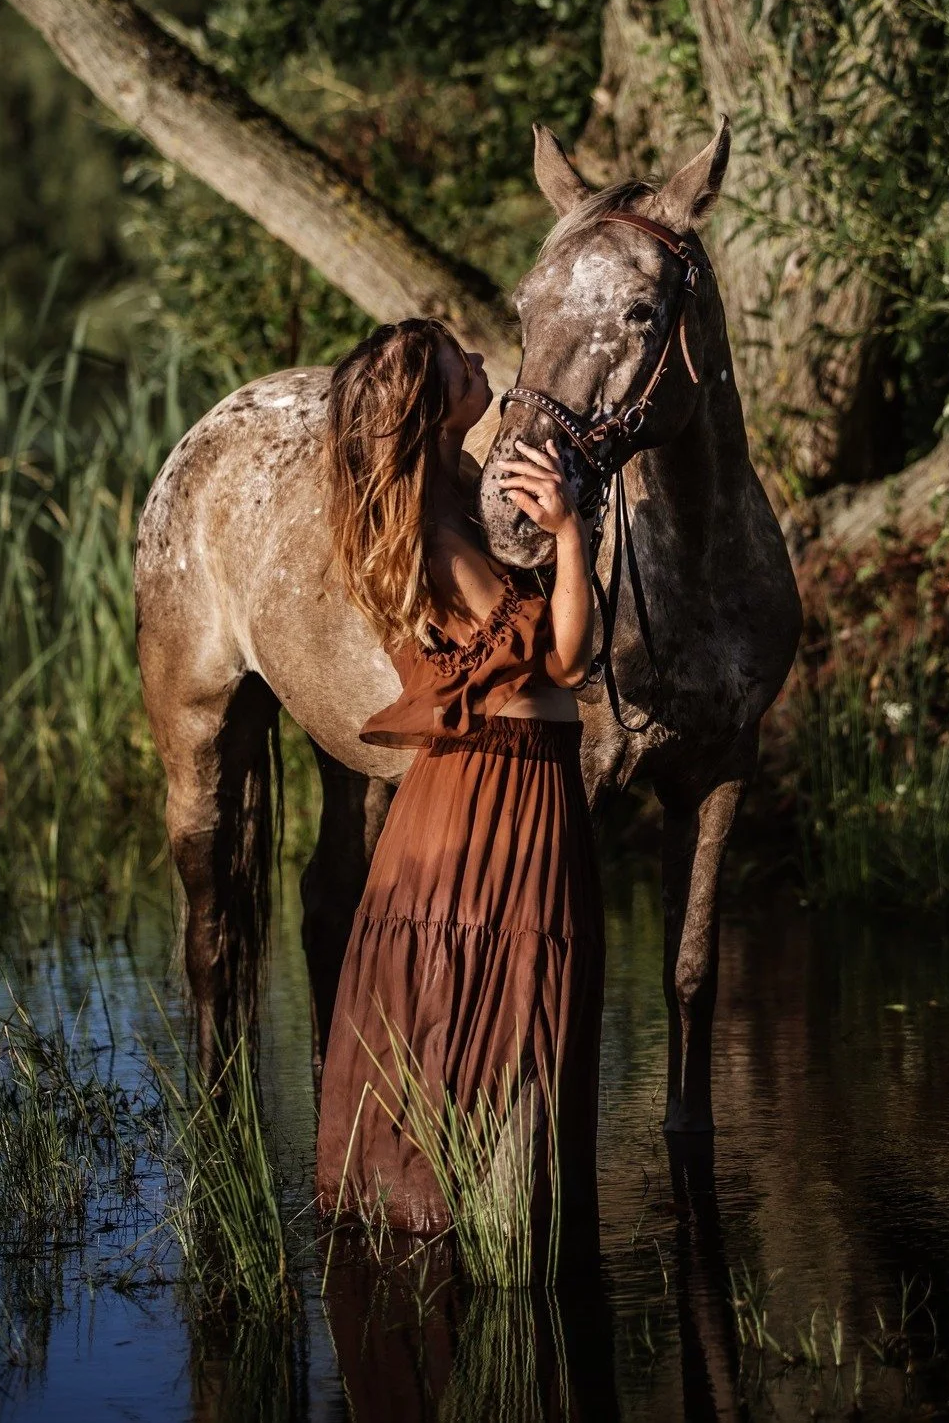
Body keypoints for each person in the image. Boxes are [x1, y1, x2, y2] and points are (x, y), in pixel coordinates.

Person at [313, 316, 604, 1266]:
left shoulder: (428, 515)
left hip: (479, 787)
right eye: (460, 362)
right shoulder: (438, 538)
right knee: (504, 993)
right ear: (432, 408)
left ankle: (442, 1227)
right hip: (503, 796)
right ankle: (485, 1232)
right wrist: (571, 534)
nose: (479, 362)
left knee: (466, 997)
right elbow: (562, 657)